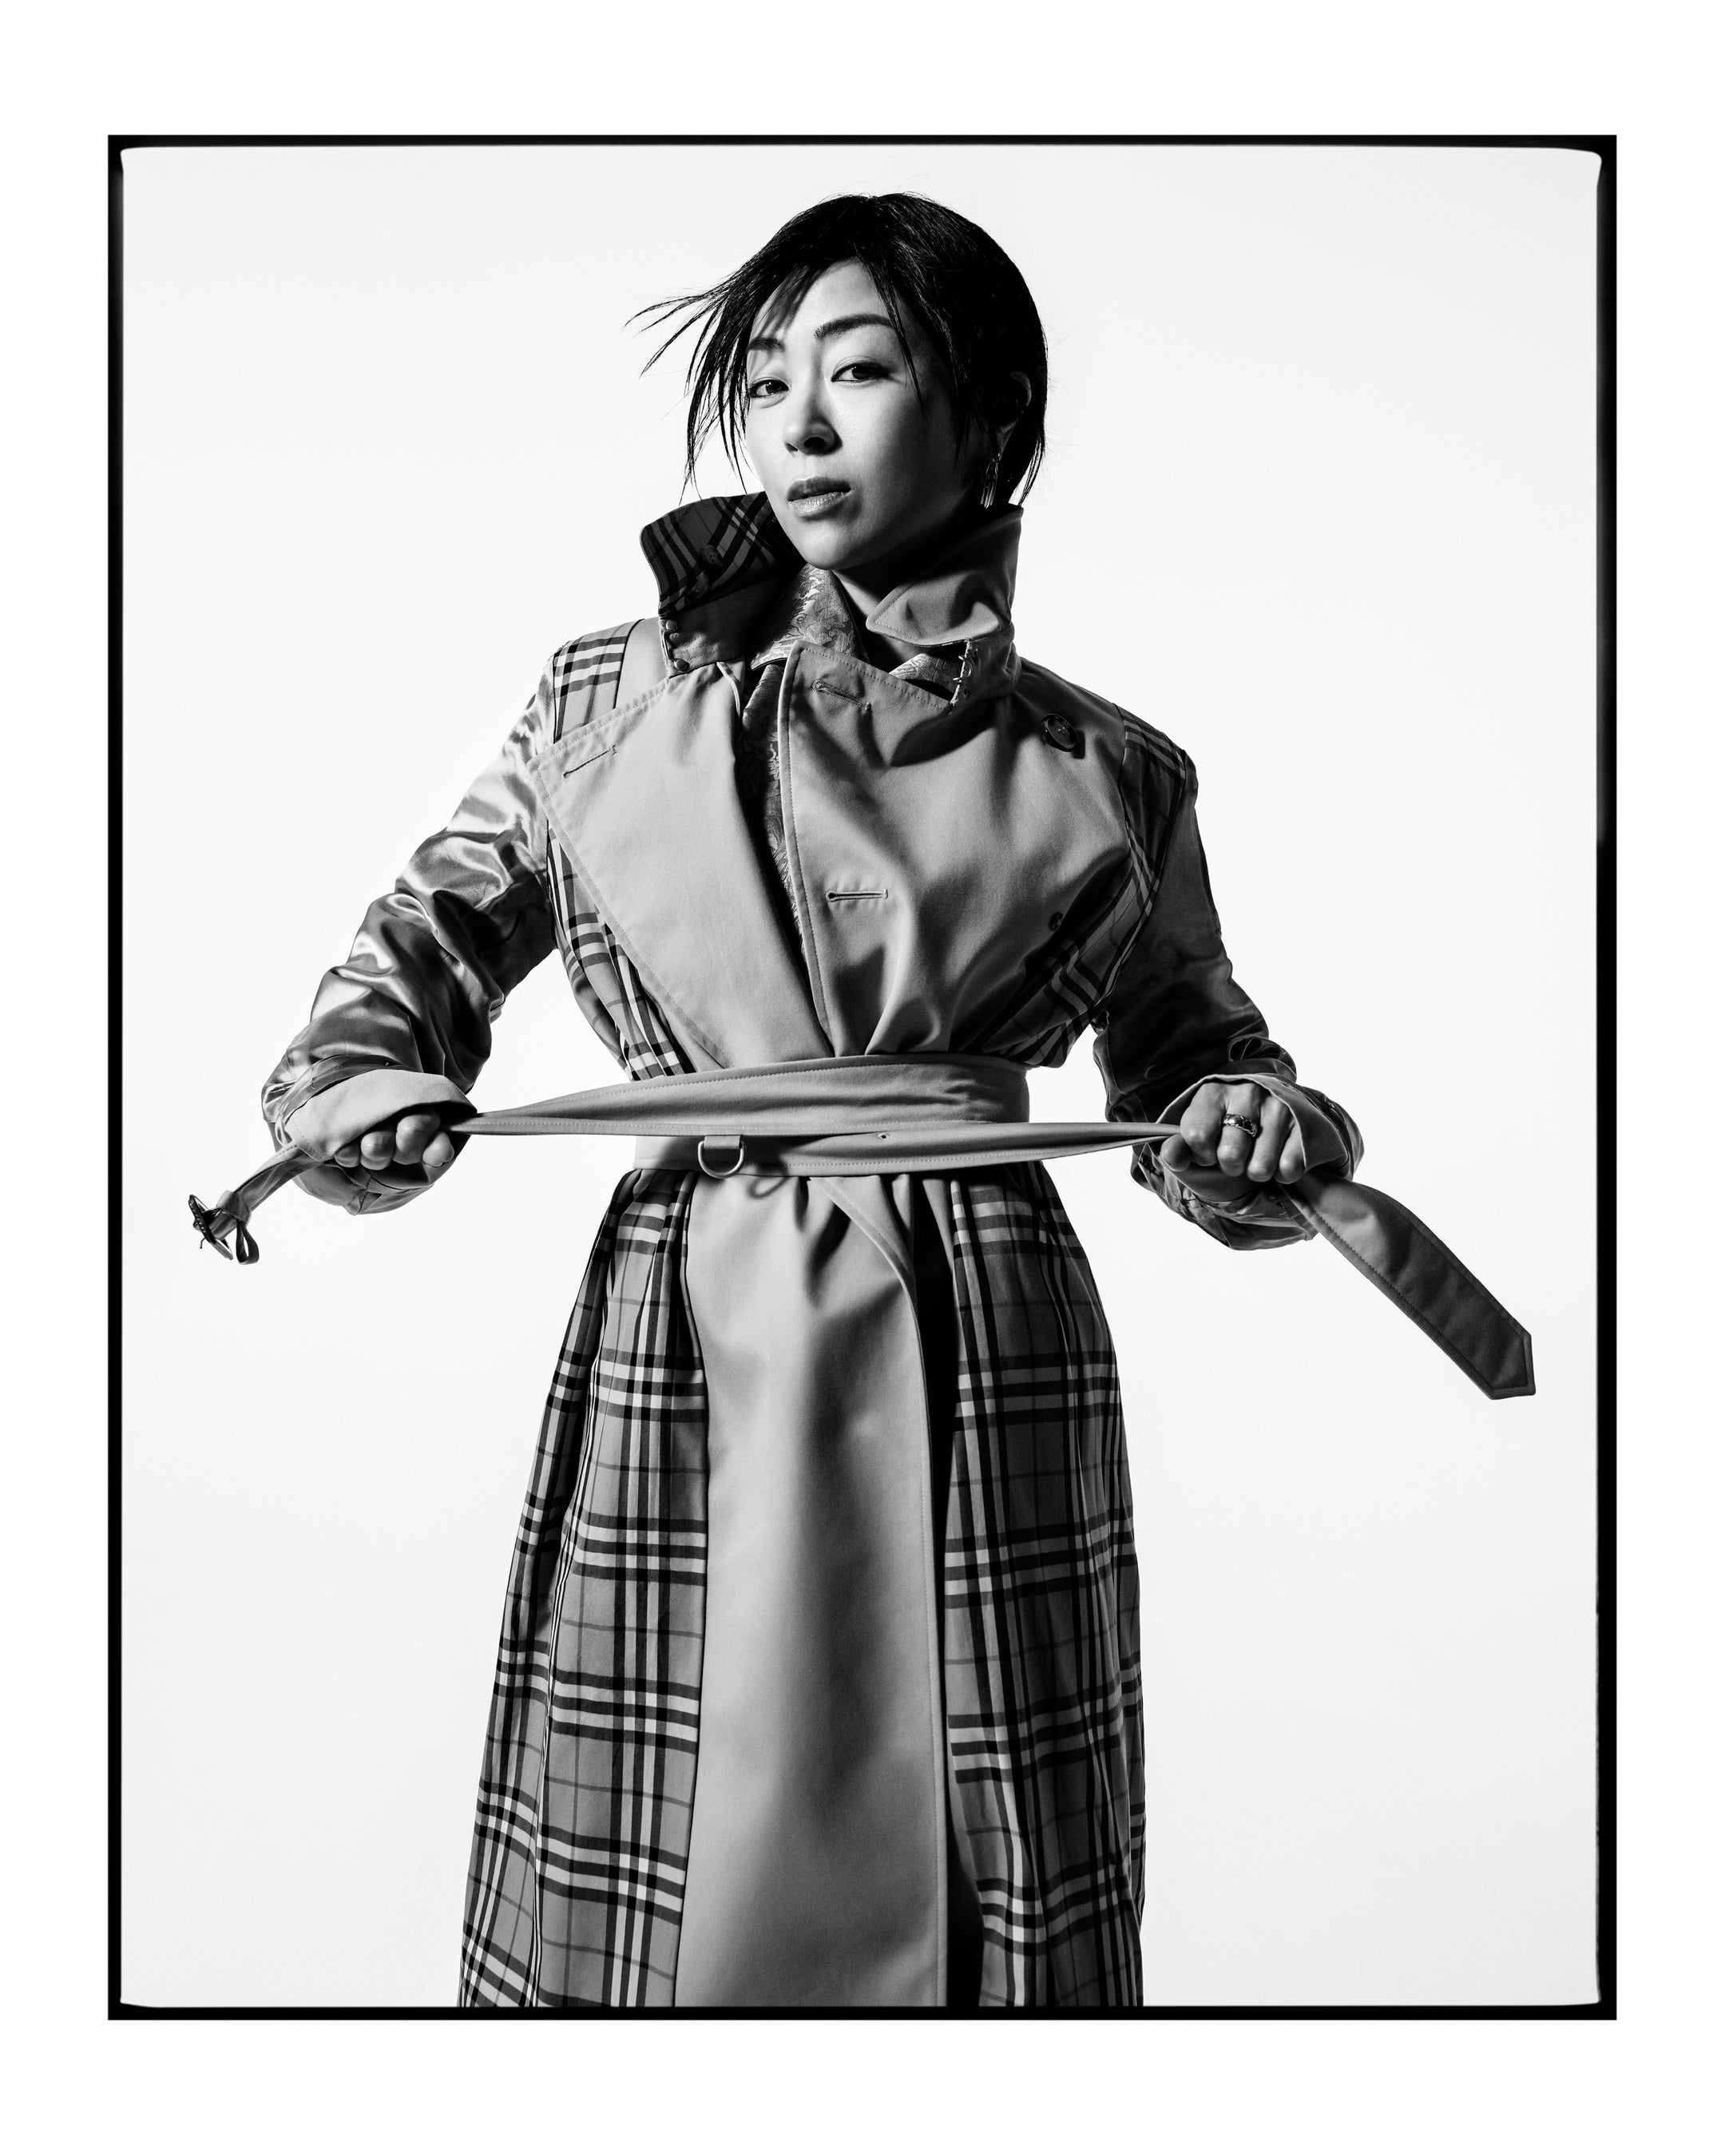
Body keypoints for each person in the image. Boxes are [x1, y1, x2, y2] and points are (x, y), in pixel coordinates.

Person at [225, 192, 1525, 2010]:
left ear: (992, 420)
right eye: (767, 385)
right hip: (684, 1323)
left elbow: (1197, 1055)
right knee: (649, 1873)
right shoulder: (602, 702)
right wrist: (364, 1080)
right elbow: (423, 942)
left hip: (986, 1341)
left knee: (995, 1870)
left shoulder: (1113, 771)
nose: (800, 427)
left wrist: (1248, 1127)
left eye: (860, 371)